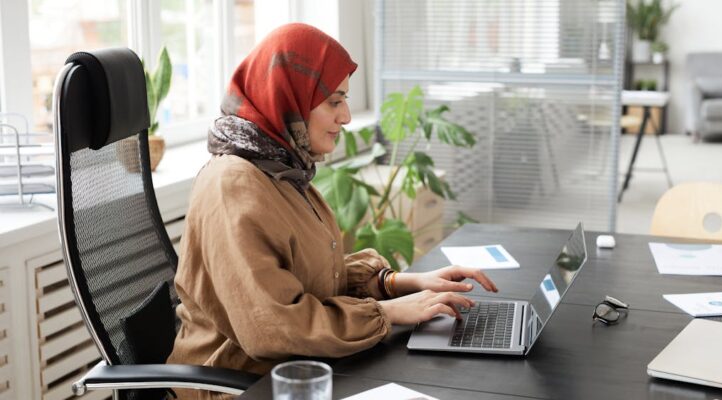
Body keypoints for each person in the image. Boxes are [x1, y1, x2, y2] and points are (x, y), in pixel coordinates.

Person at [166, 23, 498, 398]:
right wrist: (387, 313)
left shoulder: (281, 169)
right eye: (334, 101)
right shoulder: (233, 186)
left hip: (294, 372)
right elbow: (271, 326)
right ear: (288, 98)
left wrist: (400, 284)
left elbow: (312, 277)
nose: (347, 117)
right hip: (239, 385)